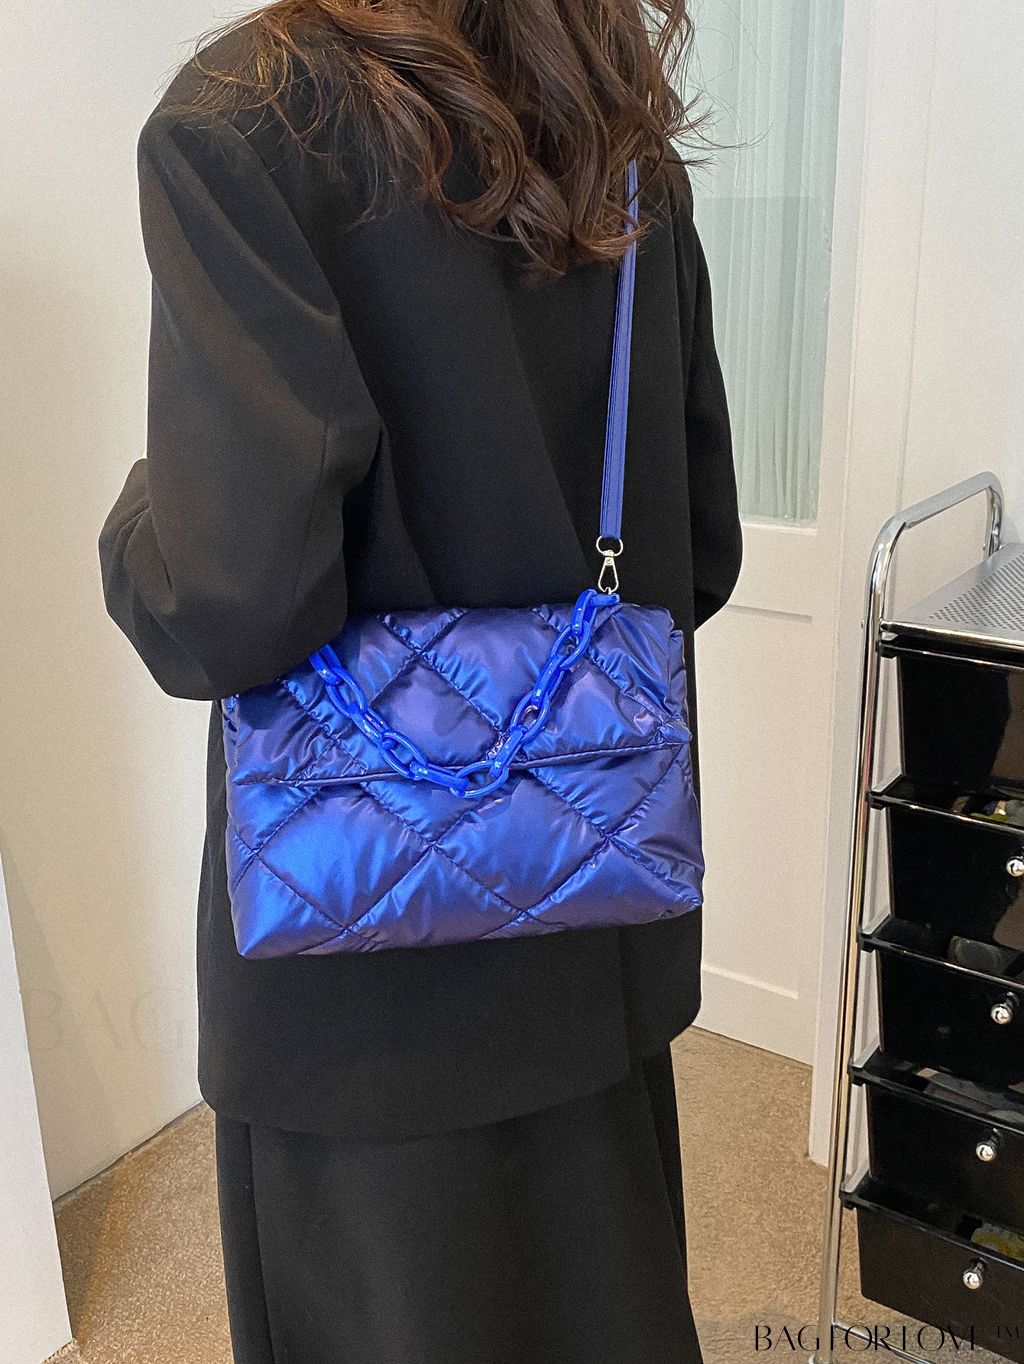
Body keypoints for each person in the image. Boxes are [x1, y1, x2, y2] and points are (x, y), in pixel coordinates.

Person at [99, 0, 742, 1357]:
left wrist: (139, 522)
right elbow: (705, 550)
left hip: (359, 969)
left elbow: (235, 603)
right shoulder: (615, 132)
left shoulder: (243, 123)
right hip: (591, 911)